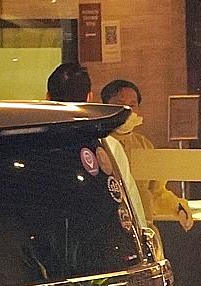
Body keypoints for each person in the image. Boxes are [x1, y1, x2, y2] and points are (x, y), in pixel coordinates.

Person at [45, 63, 148, 228]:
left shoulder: (31, 143)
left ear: (48, 97)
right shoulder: (108, 146)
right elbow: (131, 205)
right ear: (90, 97)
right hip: (95, 236)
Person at [101, 79, 195, 231]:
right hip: (110, 227)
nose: (127, 110)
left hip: (144, 227)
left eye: (132, 105)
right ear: (105, 106)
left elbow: (156, 192)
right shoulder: (99, 143)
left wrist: (178, 208)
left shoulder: (143, 145)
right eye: (120, 104)